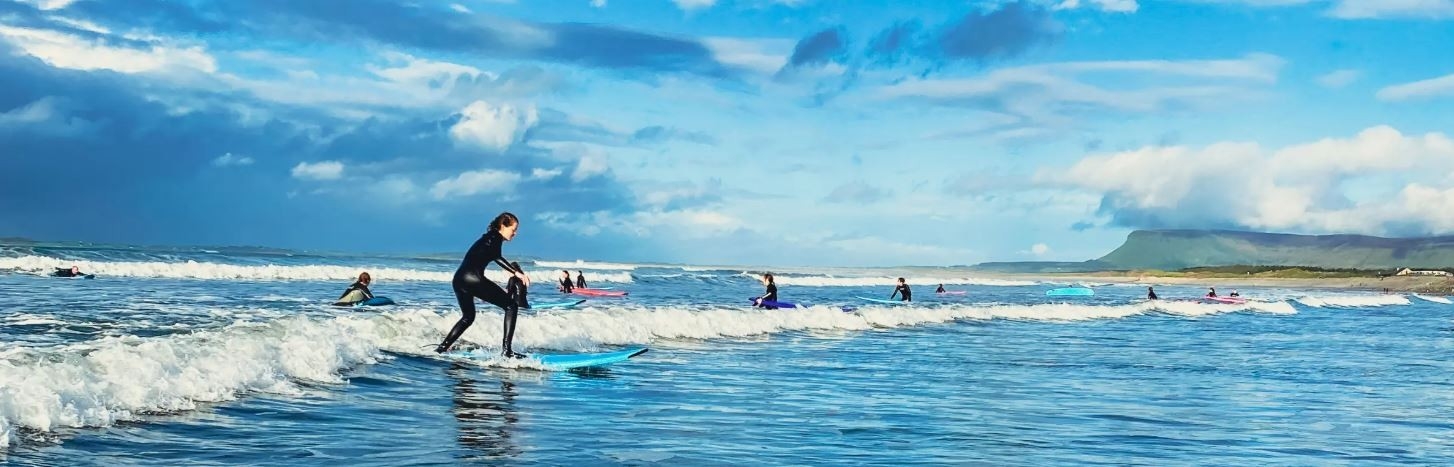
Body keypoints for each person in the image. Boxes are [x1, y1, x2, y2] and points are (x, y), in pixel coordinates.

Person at [435, 212, 532, 358]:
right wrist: (516, 273)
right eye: (513, 229)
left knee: (468, 317)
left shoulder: (488, 237)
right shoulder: (495, 237)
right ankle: (507, 351)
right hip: (473, 279)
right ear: (502, 226)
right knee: (511, 306)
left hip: (459, 279)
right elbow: (497, 257)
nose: (515, 233)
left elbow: (491, 256)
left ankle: (442, 348)